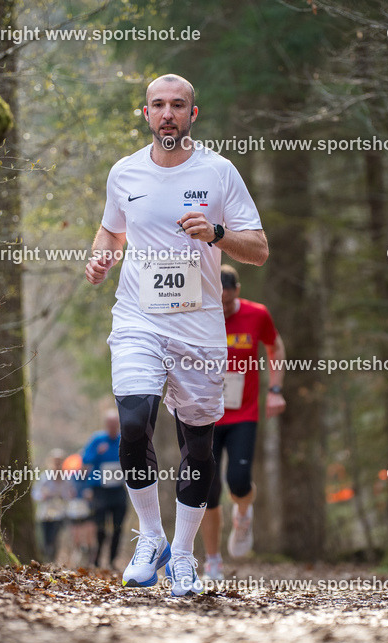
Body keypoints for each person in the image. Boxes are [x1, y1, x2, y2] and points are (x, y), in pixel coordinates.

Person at [85, 74, 268, 596]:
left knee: (198, 442)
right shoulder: (124, 172)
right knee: (134, 419)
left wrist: (216, 233)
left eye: (178, 105)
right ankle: (151, 538)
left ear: (193, 114)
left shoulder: (219, 172)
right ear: (145, 114)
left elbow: (257, 248)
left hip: (199, 327)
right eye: (158, 105)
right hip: (138, 318)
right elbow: (112, 229)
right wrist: (102, 256)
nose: (168, 113)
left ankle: (184, 557)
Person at [201, 264, 286, 580]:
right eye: (217, 302)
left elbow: (274, 346)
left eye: (227, 302)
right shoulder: (197, 313)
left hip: (243, 413)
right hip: (206, 414)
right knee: (208, 489)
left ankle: (243, 512)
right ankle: (213, 562)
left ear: (237, 291)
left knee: (238, 480)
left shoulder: (256, 314)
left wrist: (275, 389)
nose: (222, 308)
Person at [83, 409, 127, 567]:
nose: (112, 427)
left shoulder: (124, 439)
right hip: (100, 490)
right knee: (100, 527)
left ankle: (112, 560)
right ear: (106, 425)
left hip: (118, 489)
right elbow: (85, 460)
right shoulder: (97, 439)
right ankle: (96, 558)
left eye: (115, 424)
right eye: (110, 424)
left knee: (118, 527)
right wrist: (97, 452)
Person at [33, 449, 72, 563]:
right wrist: (43, 496)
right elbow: (35, 493)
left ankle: (53, 560)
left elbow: (69, 496)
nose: (57, 464)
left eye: (60, 461)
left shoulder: (65, 479)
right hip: (44, 514)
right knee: (45, 540)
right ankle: (45, 560)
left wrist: (62, 495)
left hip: (59, 513)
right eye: (55, 461)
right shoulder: (44, 477)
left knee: (55, 538)